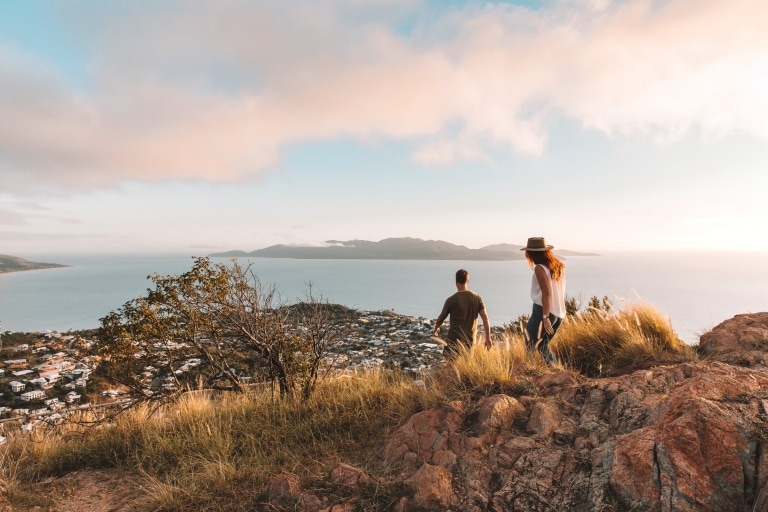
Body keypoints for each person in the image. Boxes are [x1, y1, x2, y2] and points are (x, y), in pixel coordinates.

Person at [521, 237, 566, 364]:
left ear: (530, 253)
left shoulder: (539, 268)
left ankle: (529, 371)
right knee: (542, 345)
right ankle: (556, 370)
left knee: (529, 343)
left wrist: (545, 317)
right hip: (559, 313)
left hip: (543, 311)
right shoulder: (559, 267)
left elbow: (546, 294)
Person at [433, 269, 492, 359]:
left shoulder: (451, 300)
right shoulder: (477, 297)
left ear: (456, 282)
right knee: (466, 365)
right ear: (468, 281)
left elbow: (441, 318)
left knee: (451, 367)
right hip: (470, 339)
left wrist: (436, 329)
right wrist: (487, 338)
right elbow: (485, 318)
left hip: (453, 339)